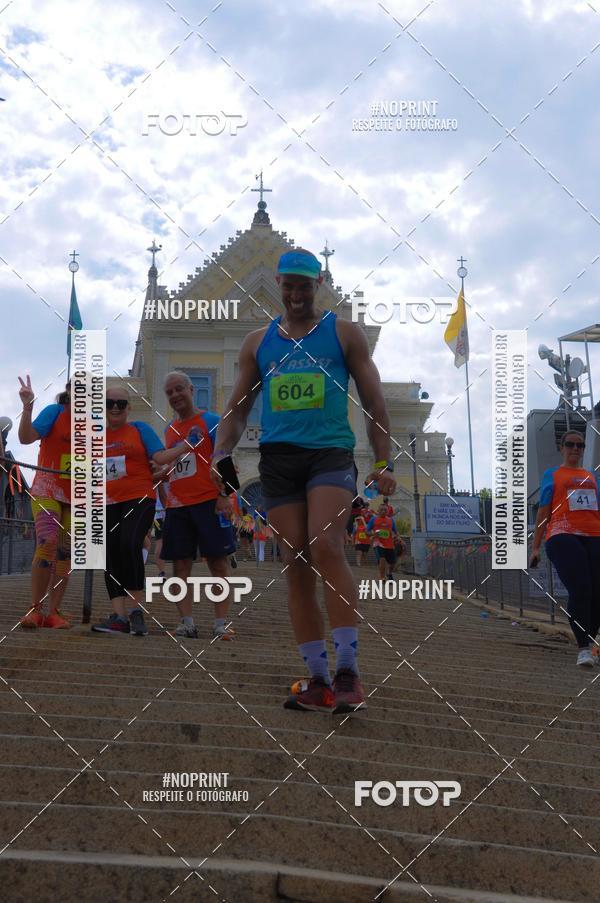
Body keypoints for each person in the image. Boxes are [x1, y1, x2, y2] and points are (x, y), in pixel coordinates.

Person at [212, 247, 396, 713]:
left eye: (304, 285)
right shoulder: (258, 342)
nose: (295, 293)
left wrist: (383, 461)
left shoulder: (343, 333)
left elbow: (374, 400)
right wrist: (221, 453)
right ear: (279, 285)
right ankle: (317, 677)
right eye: (288, 285)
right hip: (279, 459)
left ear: (317, 286)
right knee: (294, 559)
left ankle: (348, 670)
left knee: (326, 544)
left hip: (329, 453)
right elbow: (236, 409)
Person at [92, 387, 188, 636]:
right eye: (110, 402)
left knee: (129, 542)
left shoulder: (139, 429)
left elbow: (159, 455)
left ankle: (136, 611)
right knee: (109, 554)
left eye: (121, 403)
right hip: (107, 500)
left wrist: (183, 448)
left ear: (128, 407)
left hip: (139, 496)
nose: (115, 407)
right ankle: (119, 617)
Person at [161, 371, 236, 640]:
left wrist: (224, 495)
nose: (175, 395)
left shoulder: (212, 421)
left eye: (179, 389)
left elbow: (225, 457)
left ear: (191, 389)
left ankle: (220, 623)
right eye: (169, 392)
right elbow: (174, 465)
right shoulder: (169, 430)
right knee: (180, 565)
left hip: (209, 501)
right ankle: (187, 622)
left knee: (218, 563)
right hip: (178, 506)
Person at [530, 430, 600, 668]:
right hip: (563, 534)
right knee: (581, 589)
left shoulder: (592, 476)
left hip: (595, 536)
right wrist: (535, 547)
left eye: (580, 446)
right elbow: (543, 511)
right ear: (562, 448)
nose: (575, 449)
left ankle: (590, 643)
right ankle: (583, 648)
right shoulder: (553, 474)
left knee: (596, 593)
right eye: (570, 444)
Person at [17, 376, 73, 629]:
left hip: (77, 496)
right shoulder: (55, 412)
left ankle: (54, 612)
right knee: (48, 541)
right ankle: (35, 608)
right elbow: (26, 438)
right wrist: (28, 408)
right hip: (47, 490)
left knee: (66, 551)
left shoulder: (96, 424)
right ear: (70, 391)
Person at [367, 504, 398, 581]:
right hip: (378, 543)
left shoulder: (390, 520)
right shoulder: (373, 519)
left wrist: (399, 538)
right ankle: (382, 577)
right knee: (382, 559)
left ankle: (389, 573)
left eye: (385, 510)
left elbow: (395, 531)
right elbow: (367, 531)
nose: (383, 511)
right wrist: (373, 534)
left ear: (387, 511)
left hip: (389, 544)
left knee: (393, 562)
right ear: (378, 511)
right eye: (381, 510)